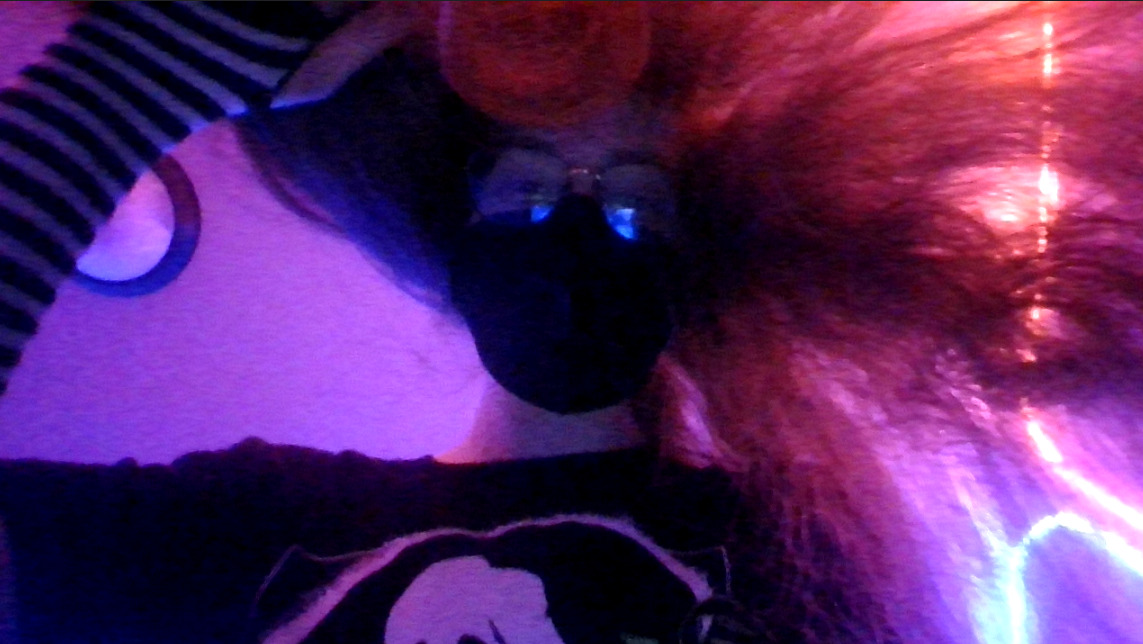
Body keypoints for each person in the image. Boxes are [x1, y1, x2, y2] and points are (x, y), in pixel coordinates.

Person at [1, 2, 1142, 642]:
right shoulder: (246, 520)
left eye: (637, 201)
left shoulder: (818, 549)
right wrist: (138, 77)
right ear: (451, 222)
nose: (581, 227)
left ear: (704, 240)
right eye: (526, 190)